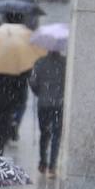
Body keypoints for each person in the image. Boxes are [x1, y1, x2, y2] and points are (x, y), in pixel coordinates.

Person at [30, 47, 67, 176]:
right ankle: (52, 166)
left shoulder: (40, 62)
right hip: (59, 104)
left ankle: (42, 162)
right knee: (56, 135)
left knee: (44, 133)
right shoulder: (65, 63)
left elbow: (33, 82)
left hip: (44, 104)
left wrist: (40, 93)